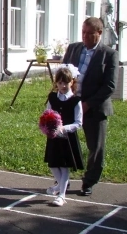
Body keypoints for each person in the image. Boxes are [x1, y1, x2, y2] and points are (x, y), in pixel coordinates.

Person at [63, 17, 119, 196]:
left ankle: (89, 182)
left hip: (94, 107)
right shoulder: (74, 48)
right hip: (70, 103)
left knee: (96, 147)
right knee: (65, 143)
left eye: (89, 34)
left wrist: (87, 104)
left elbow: (109, 86)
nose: (85, 37)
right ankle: (63, 178)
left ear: (99, 34)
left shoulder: (108, 54)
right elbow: (62, 73)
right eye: (83, 33)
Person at [44, 65, 84, 207]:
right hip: (54, 137)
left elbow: (78, 123)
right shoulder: (53, 98)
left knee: (64, 166)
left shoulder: (75, 101)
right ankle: (59, 186)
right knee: (53, 164)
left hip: (68, 138)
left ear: (72, 82)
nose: (62, 86)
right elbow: (47, 114)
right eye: (60, 83)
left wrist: (64, 128)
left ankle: (61, 194)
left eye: (65, 83)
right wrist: (47, 125)